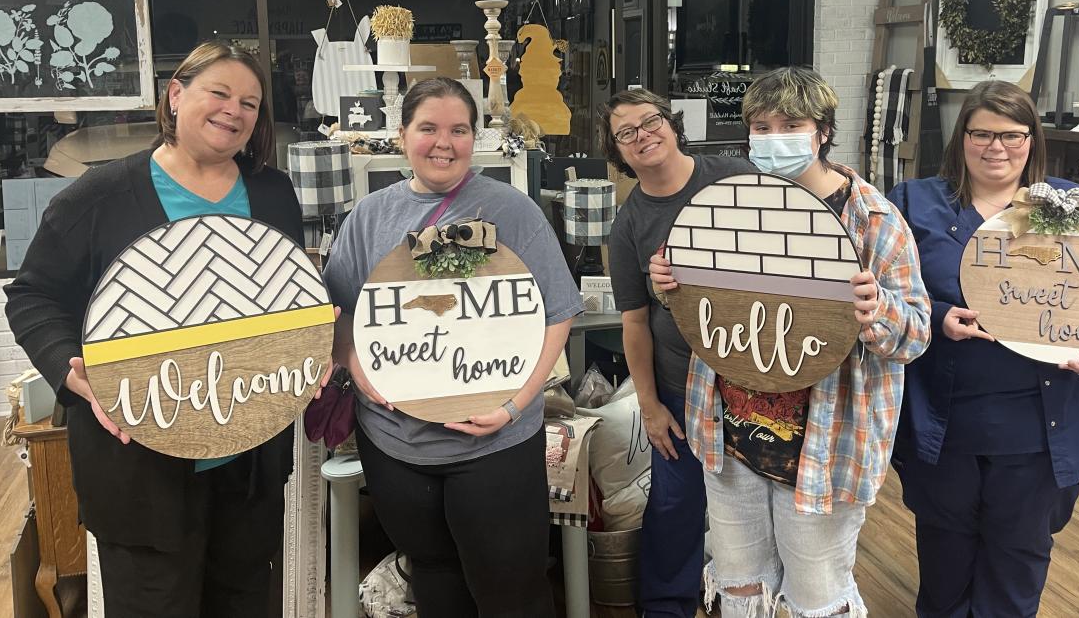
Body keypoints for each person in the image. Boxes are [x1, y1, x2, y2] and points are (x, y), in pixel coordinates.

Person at [7, 42, 307, 617]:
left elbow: (287, 298)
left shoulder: (272, 193)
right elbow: (33, 294)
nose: (234, 110)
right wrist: (71, 369)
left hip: (248, 468)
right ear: (175, 94)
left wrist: (309, 342)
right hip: (138, 467)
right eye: (218, 92)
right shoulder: (100, 196)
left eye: (249, 102)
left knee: (244, 602)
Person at [648, 66, 931, 618]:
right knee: (738, 584)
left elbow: (915, 334)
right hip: (730, 440)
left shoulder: (873, 221)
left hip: (825, 448)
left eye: (791, 125)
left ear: (822, 132)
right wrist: (670, 283)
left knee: (817, 596)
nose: (773, 138)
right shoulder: (726, 206)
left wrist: (876, 310)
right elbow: (700, 302)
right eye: (761, 126)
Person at [324, 77, 581, 618]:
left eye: (459, 130)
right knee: (434, 578)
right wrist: (356, 367)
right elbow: (339, 312)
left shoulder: (512, 210)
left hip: (494, 445)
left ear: (474, 138)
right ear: (402, 135)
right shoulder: (369, 216)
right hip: (396, 445)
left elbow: (558, 313)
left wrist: (514, 406)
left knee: (513, 592)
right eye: (429, 128)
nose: (444, 143)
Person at [887, 79, 1079, 618]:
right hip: (947, 424)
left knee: (1017, 564)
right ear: (962, 138)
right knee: (944, 561)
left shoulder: (1077, 206)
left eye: (1012, 135)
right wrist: (938, 317)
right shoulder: (914, 203)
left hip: (1039, 429)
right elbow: (884, 291)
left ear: (1031, 140)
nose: (997, 148)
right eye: (982, 134)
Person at [599, 88, 754, 618]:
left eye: (651, 121)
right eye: (627, 133)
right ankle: (667, 605)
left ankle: (749, 595)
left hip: (756, 377)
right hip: (680, 386)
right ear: (618, 152)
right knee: (675, 503)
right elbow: (634, 322)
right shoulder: (629, 225)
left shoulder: (735, 176)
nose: (643, 135)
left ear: (670, 123)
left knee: (754, 497)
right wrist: (650, 405)